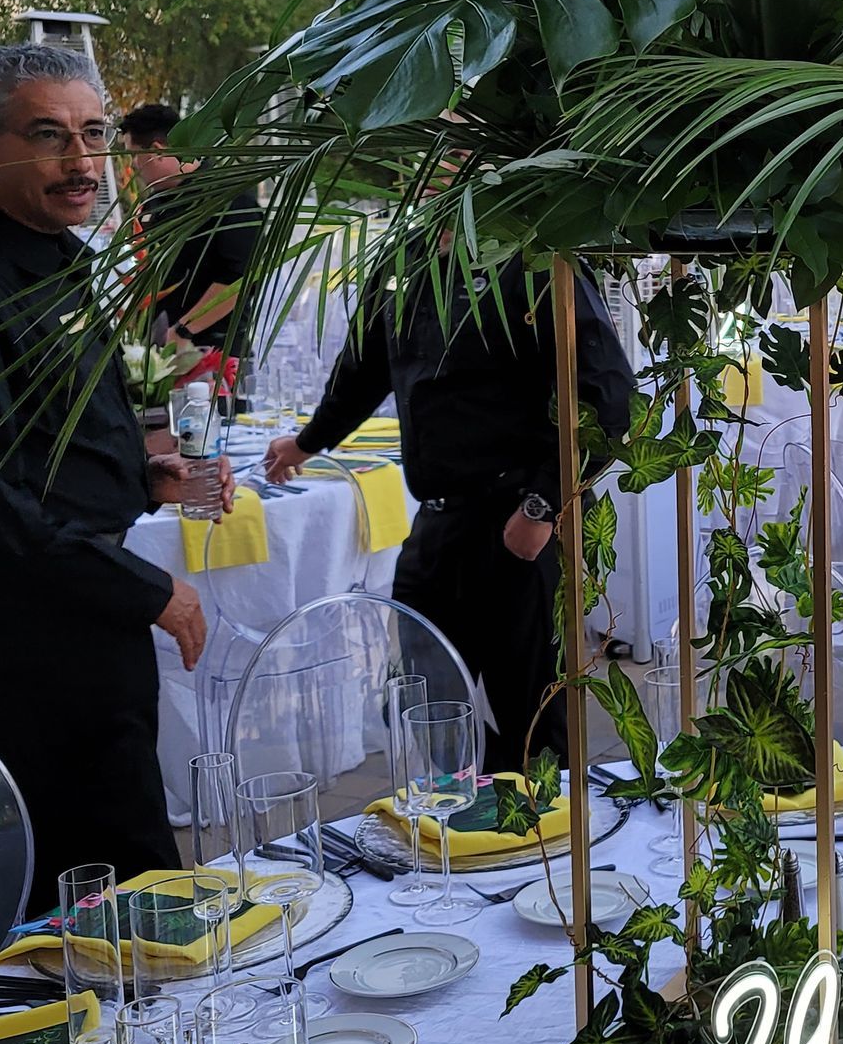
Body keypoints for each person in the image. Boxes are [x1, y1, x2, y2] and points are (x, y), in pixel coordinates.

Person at [0, 45, 232, 905]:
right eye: (50, 136)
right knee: (102, 891)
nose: (83, 163)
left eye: (94, 135)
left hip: (87, 625)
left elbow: (53, 437)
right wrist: (148, 590)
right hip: (29, 644)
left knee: (131, 872)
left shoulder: (56, 251)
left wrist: (144, 474)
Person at [264, 258, 633, 769]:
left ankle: (538, 827)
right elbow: (363, 371)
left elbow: (607, 398)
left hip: (518, 521)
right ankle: (475, 806)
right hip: (438, 519)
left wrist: (542, 505)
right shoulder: (401, 262)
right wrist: (307, 443)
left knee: (532, 712)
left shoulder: (537, 262)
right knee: (423, 698)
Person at [118, 102, 261, 362]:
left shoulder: (229, 197)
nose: (132, 166)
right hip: (158, 348)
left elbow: (239, 280)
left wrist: (184, 329)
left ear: (157, 151)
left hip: (213, 351)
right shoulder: (155, 201)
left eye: (133, 155)